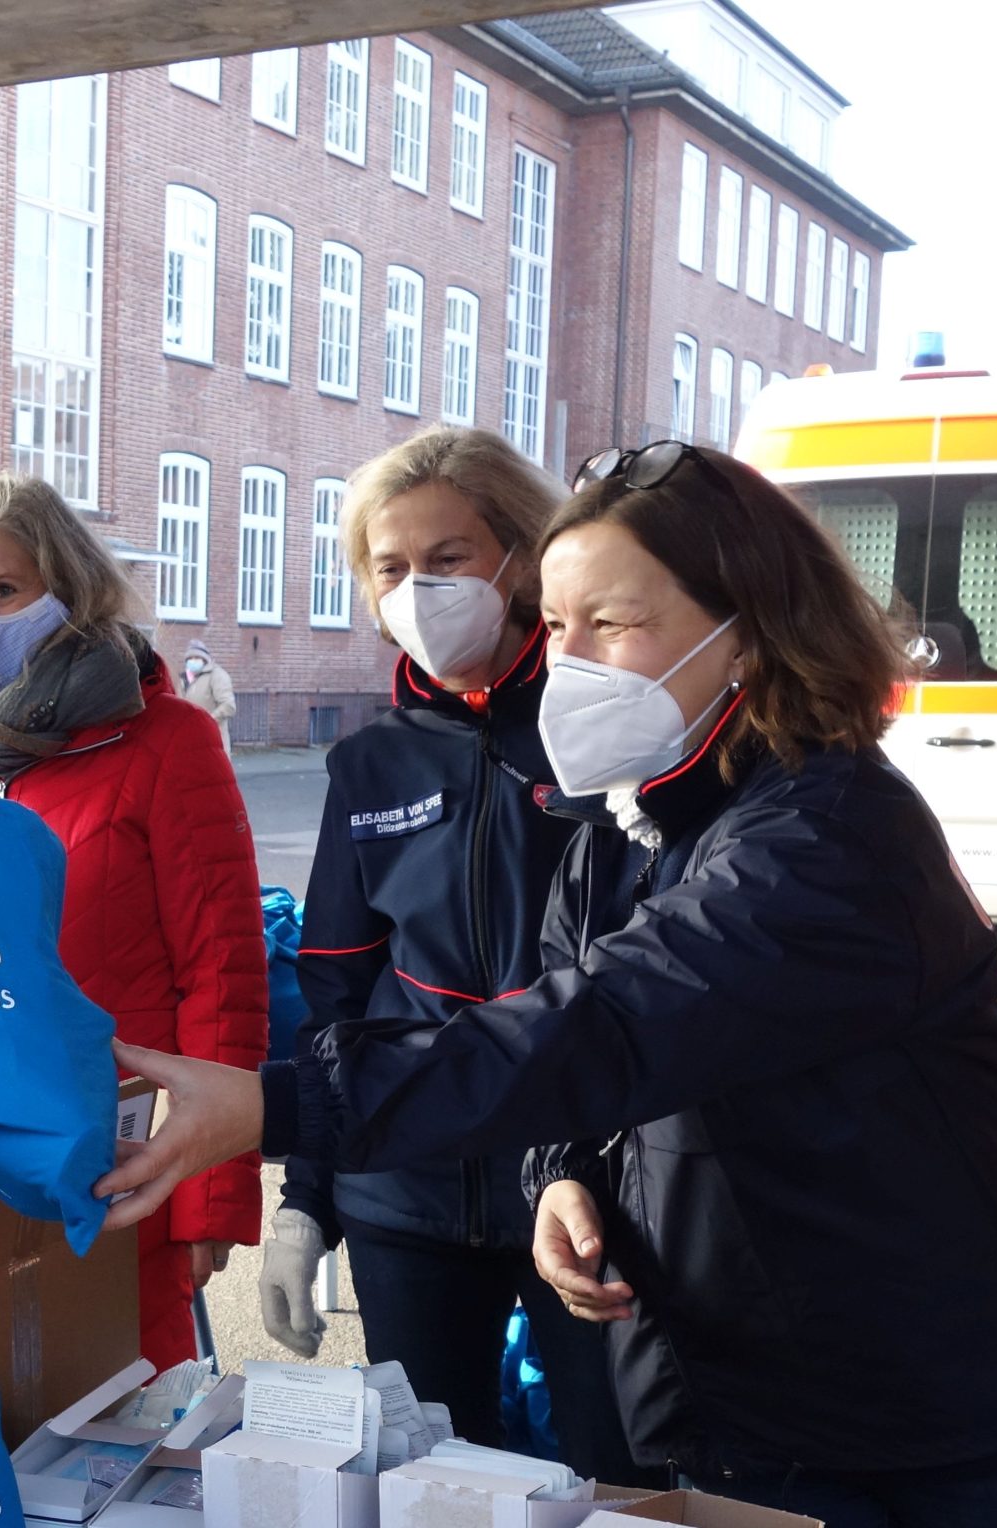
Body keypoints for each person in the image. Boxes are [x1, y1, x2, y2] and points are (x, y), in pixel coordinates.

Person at [96, 441, 997, 1528]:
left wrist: (284, 1103)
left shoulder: (827, 831)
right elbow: (575, 1043)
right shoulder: (625, 823)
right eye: (559, 626)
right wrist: (563, 1178)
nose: (571, 662)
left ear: (744, 628)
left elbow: (606, 1022)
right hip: (763, 1407)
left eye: (613, 623)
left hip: (968, 1428)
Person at [261, 427, 641, 1481]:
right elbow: (334, 986)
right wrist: (307, 1200)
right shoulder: (370, 761)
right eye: (392, 567)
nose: (419, 587)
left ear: (520, 559)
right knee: (438, 1482)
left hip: (585, 1192)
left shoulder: (597, 735)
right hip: (407, 1199)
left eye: (449, 558)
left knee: (616, 1476)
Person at [0, 473, 267, 1370]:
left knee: (124, 1425)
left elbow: (224, 972)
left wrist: (208, 1193)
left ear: (70, 590)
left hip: (122, 1157)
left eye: (4, 590)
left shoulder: (167, 741)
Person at [181, 637, 237, 752]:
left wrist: (207, 721)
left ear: (205, 659)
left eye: (197, 657)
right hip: (190, 742)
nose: (193, 660)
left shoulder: (217, 675)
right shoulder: (184, 678)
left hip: (213, 741)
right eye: (190, 658)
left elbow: (228, 706)